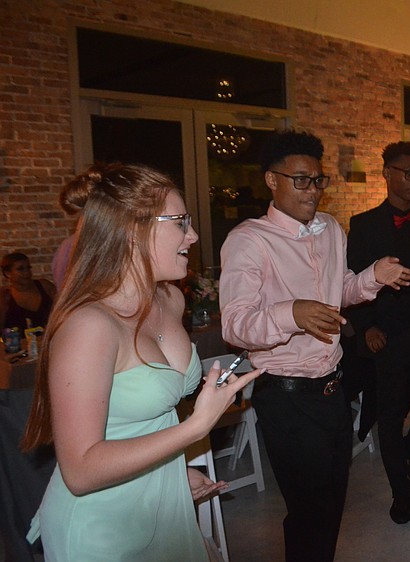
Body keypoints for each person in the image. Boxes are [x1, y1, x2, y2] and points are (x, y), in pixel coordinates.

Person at [20, 162, 260, 561]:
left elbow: (142, 422)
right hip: (102, 527)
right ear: (133, 230)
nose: (194, 235)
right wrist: (198, 425)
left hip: (160, 502)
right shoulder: (89, 324)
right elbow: (79, 471)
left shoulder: (171, 299)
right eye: (180, 222)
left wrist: (170, 476)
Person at [219, 130, 410, 561]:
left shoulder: (329, 229)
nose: (312, 190)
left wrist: (372, 278)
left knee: (332, 504)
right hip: (286, 397)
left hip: (332, 390)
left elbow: (339, 290)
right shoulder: (249, 241)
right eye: (301, 180)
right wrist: (292, 313)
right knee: (309, 511)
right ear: (272, 180)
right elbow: (235, 326)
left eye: (318, 180)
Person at [346, 141, 410, 524]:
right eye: (408, 173)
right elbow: (350, 283)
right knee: (389, 416)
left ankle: (408, 454)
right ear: (387, 173)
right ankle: (400, 491)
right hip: (387, 338)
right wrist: (365, 327)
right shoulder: (363, 225)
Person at [1, 253, 56, 334]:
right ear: (8, 273)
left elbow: (64, 309)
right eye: (20, 269)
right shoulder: (4, 296)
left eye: (28, 268)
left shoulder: (45, 286)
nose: (27, 272)